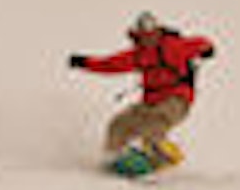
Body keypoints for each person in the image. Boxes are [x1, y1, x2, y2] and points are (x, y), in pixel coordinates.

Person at [69, 11, 216, 167]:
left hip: (176, 100)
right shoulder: (138, 55)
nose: (148, 39)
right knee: (119, 124)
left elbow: (201, 43)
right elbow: (111, 64)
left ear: (157, 32)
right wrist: (84, 62)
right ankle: (113, 157)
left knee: (153, 124)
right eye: (143, 36)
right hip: (150, 103)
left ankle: (160, 158)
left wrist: (206, 49)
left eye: (151, 35)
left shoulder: (172, 46)